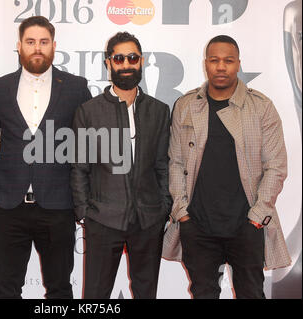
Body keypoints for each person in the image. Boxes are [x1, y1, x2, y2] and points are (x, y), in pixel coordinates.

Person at [163, 35, 292, 299]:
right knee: (202, 294)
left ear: (238, 64)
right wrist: (182, 213)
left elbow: (276, 167)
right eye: (215, 60)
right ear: (206, 64)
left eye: (228, 61)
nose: (221, 67)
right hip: (197, 226)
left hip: (246, 225)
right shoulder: (186, 105)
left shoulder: (261, 107)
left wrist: (256, 218)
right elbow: (174, 162)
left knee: (251, 293)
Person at [0, 16, 92, 299]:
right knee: (6, 289)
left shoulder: (76, 88)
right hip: (8, 204)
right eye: (31, 42)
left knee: (60, 289)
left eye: (43, 42)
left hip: (58, 204)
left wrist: (87, 196)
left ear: (54, 46)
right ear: (19, 46)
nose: (37, 48)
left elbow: (88, 144)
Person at [70, 32, 172, 299]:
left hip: (149, 219)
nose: (126, 64)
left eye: (132, 58)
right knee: (95, 295)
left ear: (141, 62)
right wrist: (85, 213)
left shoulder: (159, 111)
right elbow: (80, 167)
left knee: (146, 292)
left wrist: (163, 207)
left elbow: (163, 164)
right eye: (119, 58)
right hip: (103, 219)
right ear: (108, 63)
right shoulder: (89, 111)